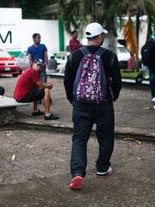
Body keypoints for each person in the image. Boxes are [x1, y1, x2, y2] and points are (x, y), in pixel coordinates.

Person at [64, 22, 122, 190]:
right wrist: (114, 96)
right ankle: (103, 168)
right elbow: (117, 81)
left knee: (79, 139)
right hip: (103, 103)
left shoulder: (74, 56)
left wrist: (72, 99)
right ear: (100, 37)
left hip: (81, 104)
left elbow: (67, 81)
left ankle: (77, 173)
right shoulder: (109, 56)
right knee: (105, 136)